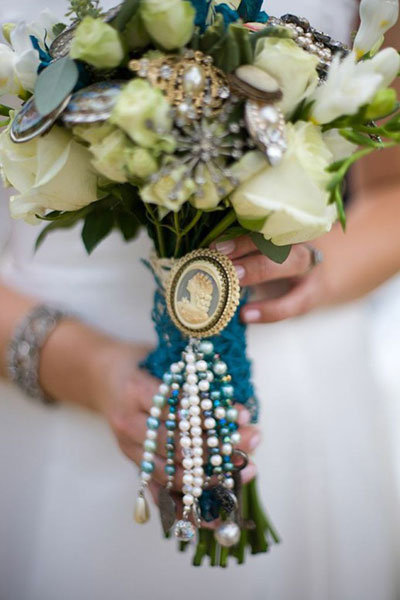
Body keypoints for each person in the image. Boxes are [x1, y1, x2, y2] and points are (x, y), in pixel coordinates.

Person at [0, 1, 399, 600]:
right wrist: (85, 368)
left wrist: (317, 268)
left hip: (299, 390)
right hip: (56, 393)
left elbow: (392, 191)